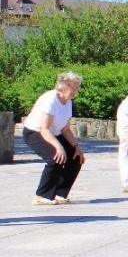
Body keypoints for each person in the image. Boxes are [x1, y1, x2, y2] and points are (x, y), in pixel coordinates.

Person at [21, 70, 86, 205]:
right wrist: (59, 147)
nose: (76, 90)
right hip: (35, 132)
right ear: (64, 85)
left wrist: (76, 147)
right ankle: (41, 195)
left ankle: (59, 193)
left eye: (77, 87)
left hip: (54, 133)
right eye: (74, 86)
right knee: (55, 158)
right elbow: (44, 128)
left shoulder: (67, 102)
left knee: (76, 158)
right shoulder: (50, 99)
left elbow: (65, 129)